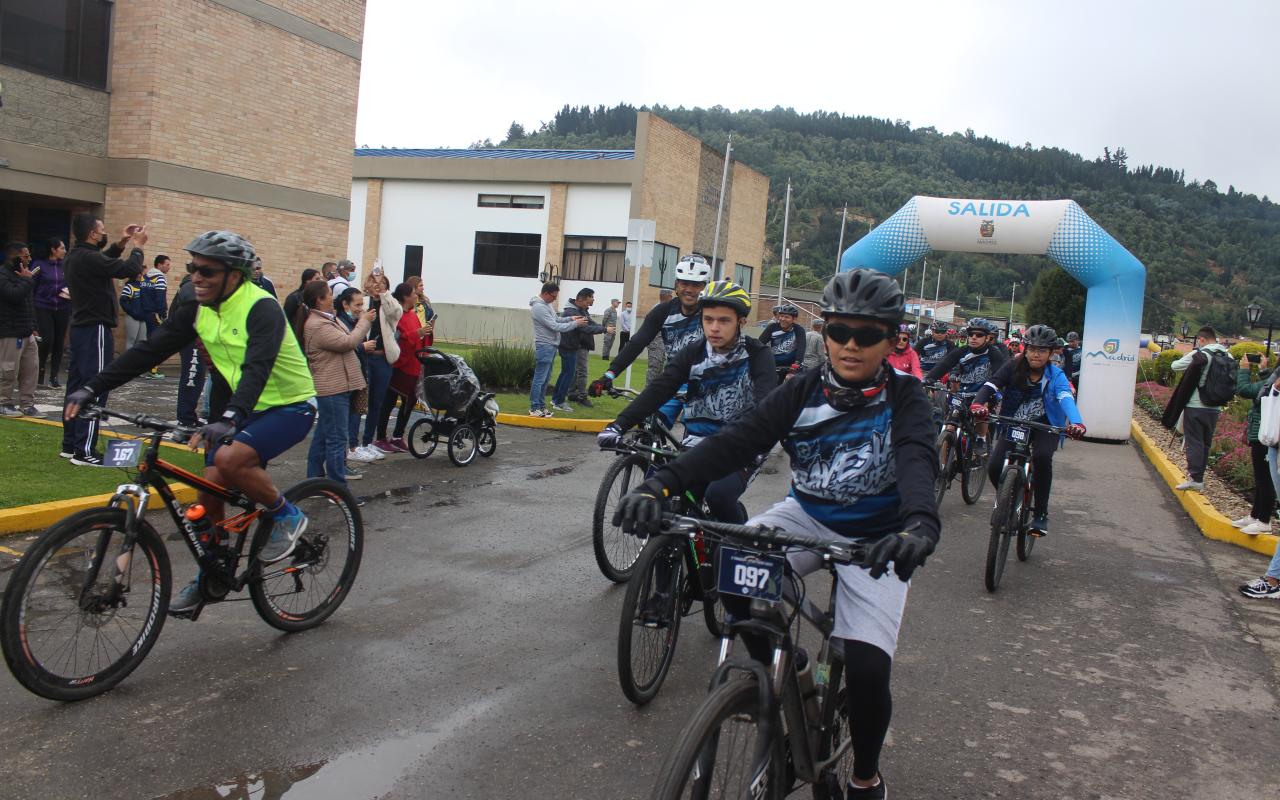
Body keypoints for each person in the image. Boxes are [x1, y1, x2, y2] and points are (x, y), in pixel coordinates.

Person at [614, 268, 940, 799]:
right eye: (838, 331)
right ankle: (769, 674)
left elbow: (918, 465)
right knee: (734, 562)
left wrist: (919, 527)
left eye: (867, 334)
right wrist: (660, 485)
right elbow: (738, 441)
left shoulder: (906, 399)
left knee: (865, 670)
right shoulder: (803, 389)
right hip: (805, 515)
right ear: (826, 333)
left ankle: (865, 776)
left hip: (878, 537)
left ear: (891, 339)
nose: (850, 345)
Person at [64, 230, 317, 612]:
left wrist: (230, 417)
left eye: (207, 271)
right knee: (208, 484)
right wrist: (92, 388)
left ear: (235, 276)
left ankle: (288, 516)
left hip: (290, 405)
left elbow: (257, 369)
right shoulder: (197, 308)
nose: (196, 277)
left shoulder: (260, 306)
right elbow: (150, 349)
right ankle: (212, 572)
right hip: (244, 408)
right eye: (192, 268)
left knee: (230, 460)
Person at [598, 281, 775, 524]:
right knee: (665, 499)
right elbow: (661, 388)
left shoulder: (758, 354)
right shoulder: (693, 352)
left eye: (724, 321)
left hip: (741, 446)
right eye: (708, 319)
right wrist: (619, 425)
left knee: (718, 496)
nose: (714, 328)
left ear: (741, 323)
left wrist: (755, 443)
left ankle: (738, 546)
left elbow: (765, 401)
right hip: (698, 444)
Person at [970, 324, 1086, 535]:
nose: (1036, 354)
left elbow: (1065, 397)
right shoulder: (1013, 366)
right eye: (1032, 348)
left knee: (1042, 457)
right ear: (1025, 349)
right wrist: (978, 403)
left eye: (1042, 350)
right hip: (1014, 422)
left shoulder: (1056, 375)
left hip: (1045, 426)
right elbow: (992, 384)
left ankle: (1040, 513)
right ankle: (1008, 499)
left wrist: (1076, 423)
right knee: (995, 466)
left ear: (1051, 353)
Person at [62, 213, 148, 465]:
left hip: (80, 328)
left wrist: (121, 242)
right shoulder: (88, 258)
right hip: (95, 328)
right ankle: (84, 450)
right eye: (101, 230)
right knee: (95, 385)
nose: (103, 233)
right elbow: (129, 270)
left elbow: (104, 260)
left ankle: (70, 444)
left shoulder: (76, 256)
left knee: (76, 387)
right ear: (92, 233)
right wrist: (137, 247)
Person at [590, 256, 712, 397]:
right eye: (684, 283)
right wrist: (609, 375)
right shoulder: (663, 311)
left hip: (706, 381)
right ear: (676, 285)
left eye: (696, 285)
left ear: (705, 286)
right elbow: (637, 342)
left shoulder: (712, 312)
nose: (690, 290)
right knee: (648, 416)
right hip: (675, 379)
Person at [296, 281, 373, 486]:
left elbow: (347, 338)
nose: (333, 297)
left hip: (338, 387)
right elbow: (348, 342)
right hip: (333, 389)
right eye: (329, 294)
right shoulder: (317, 324)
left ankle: (315, 481)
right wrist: (364, 322)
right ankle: (337, 488)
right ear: (320, 300)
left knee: (323, 436)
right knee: (337, 440)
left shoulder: (328, 320)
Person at [924, 317, 1009, 456]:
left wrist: (996, 393)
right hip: (962, 394)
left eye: (979, 335)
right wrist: (929, 379)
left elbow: (999, 376)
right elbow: (944, 365)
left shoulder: (994, 353)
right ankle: (943, 466)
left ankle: (981, 439)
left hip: (983, 395)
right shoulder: (962, 351)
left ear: (987, 338)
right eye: (971, 334)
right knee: (950, 425)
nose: (974, 337)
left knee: (982, 411)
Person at [1164, 326, 1233, 491]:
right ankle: (1199, 477)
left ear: (1201, 339)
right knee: (1205, 443)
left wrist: (1186, 356)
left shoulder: (1200, 354)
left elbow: (1175, 366)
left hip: (1196, 405)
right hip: (1215, 407)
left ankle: (1195, 478)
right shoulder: (1228, 355)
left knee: (1194, 441)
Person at [374, 283, 432, 452]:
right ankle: (380, 438)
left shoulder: (413, 315)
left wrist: (426, 332)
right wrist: (417, 334)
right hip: (400, 365)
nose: (417, 295)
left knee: (409, 401)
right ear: (406, 297)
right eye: (414, 292)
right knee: (389, 401)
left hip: (414, 364)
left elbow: (418, 339)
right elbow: (399, 339)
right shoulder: (396, 316)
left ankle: (398, 436)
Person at [1230, 354, 1276, 535]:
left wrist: (1244, 369)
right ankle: (1255, 515)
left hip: (1267, 434)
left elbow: (1245, 389)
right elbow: (1266, 389)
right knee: (1260, 476)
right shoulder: (1273, 378)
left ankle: (1264, 520)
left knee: (1265, 478)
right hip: (1262, 432)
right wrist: (1264, 371)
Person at [528, 281, 587, 417]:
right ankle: (534, 407)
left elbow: (557, 320)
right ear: (546, 293)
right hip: (545, 346)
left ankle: (541, 406)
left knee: (546, 379)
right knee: (540, 378)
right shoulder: (539, 307)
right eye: (553, 296)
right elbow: (555, 326)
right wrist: (575, 323)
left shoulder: (546, 305)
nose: (555, 299)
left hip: (551, 345)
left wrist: (570, 318)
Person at [358, 271, 394, 457]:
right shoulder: (361, 302)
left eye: (382, 283)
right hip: (362, 356)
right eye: (374, 282)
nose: (377, 285)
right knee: (358, 402)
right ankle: (353, 445)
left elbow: (397, 313)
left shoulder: (388, 304)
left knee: (376, 403)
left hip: (381, 358)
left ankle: (367, 441)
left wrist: (384, 294)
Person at [0, 242, 38, 417]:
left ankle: (27, 403)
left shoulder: (25, 276)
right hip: (10, 331)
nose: (29, 259)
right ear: (14, 257)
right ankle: (4, 402)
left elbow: (29, 303)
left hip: (27, 331)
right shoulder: (3, 275)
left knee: (31, 369)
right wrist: (27, 280)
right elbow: (14, 296)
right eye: (25, 256)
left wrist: (34, 326)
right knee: (9, 370)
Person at [560, 288, 610, 410]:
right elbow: (585, 328)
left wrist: (602, 327)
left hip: (579, 345)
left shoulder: (582, 310)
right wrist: (604, 329)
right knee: (581, 371)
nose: (593, 300)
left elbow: (590, 323)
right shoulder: (572, 312)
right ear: (581, 299)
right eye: (591, 298)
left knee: (575, 372)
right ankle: (582, 397)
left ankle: (571, 394)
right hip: (576, 345)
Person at [30, 238, 70, 389]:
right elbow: (30, 284)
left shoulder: (66, 266)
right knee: (46, 340)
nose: (64, 251)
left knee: (59, 342)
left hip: (63, 307)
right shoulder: (39, 265)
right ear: (53, 249)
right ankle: (39, 374)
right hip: (43, 307)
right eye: (62, 248)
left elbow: (72, 282)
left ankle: (54, 377)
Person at [170, 272, 206, 428]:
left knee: (196, 377)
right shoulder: (190, 288)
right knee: (192, 377)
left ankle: (188, 415)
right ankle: (185, 418)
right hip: (192, 339)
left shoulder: (189, 287)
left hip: (195, 339)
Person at [760, 302, 807, 379]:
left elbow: (801, 348)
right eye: (781, 316)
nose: (782, 319)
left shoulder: (799, 330)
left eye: (786, 317)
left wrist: (795, 366)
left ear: (794, 319)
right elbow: (760, 343)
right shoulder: (772, 327)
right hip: (773, 365)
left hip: (791, 367)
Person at [645, 289, 674, 384]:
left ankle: (655, 392)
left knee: (660, 368)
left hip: (661, 343)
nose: (672, 298)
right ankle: (648, 392)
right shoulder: (658, 309)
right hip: (655, 343)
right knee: (654, 368)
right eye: (671, 296)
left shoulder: (666, 308)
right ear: (666, 296)